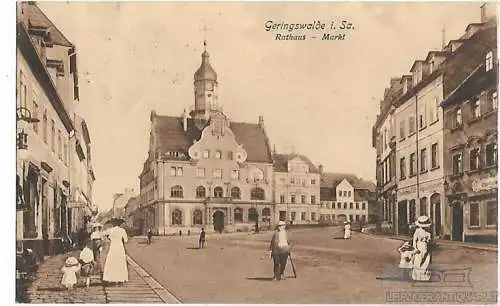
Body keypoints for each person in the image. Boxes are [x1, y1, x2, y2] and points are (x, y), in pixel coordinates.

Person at [102, 218, 129, 285]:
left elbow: (102, 234)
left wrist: (108, 238)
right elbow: (126, 240)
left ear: (113, 224)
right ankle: (121, 279)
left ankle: (112, 278)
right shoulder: (122, 230)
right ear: (119, 224)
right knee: (120, 261)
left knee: (112, 261)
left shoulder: (110, 230)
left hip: (113, 246)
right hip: (120, 246)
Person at [411, 215, 432, 281]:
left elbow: (429, 242)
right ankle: (417, 276)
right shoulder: (417, 231)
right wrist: (415, 248)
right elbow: (414, 240)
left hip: (425, 247)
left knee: (426, 260)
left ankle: (423, 276)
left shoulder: (428, 233)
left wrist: (428, 242)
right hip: (419, 246)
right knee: (418, 261)